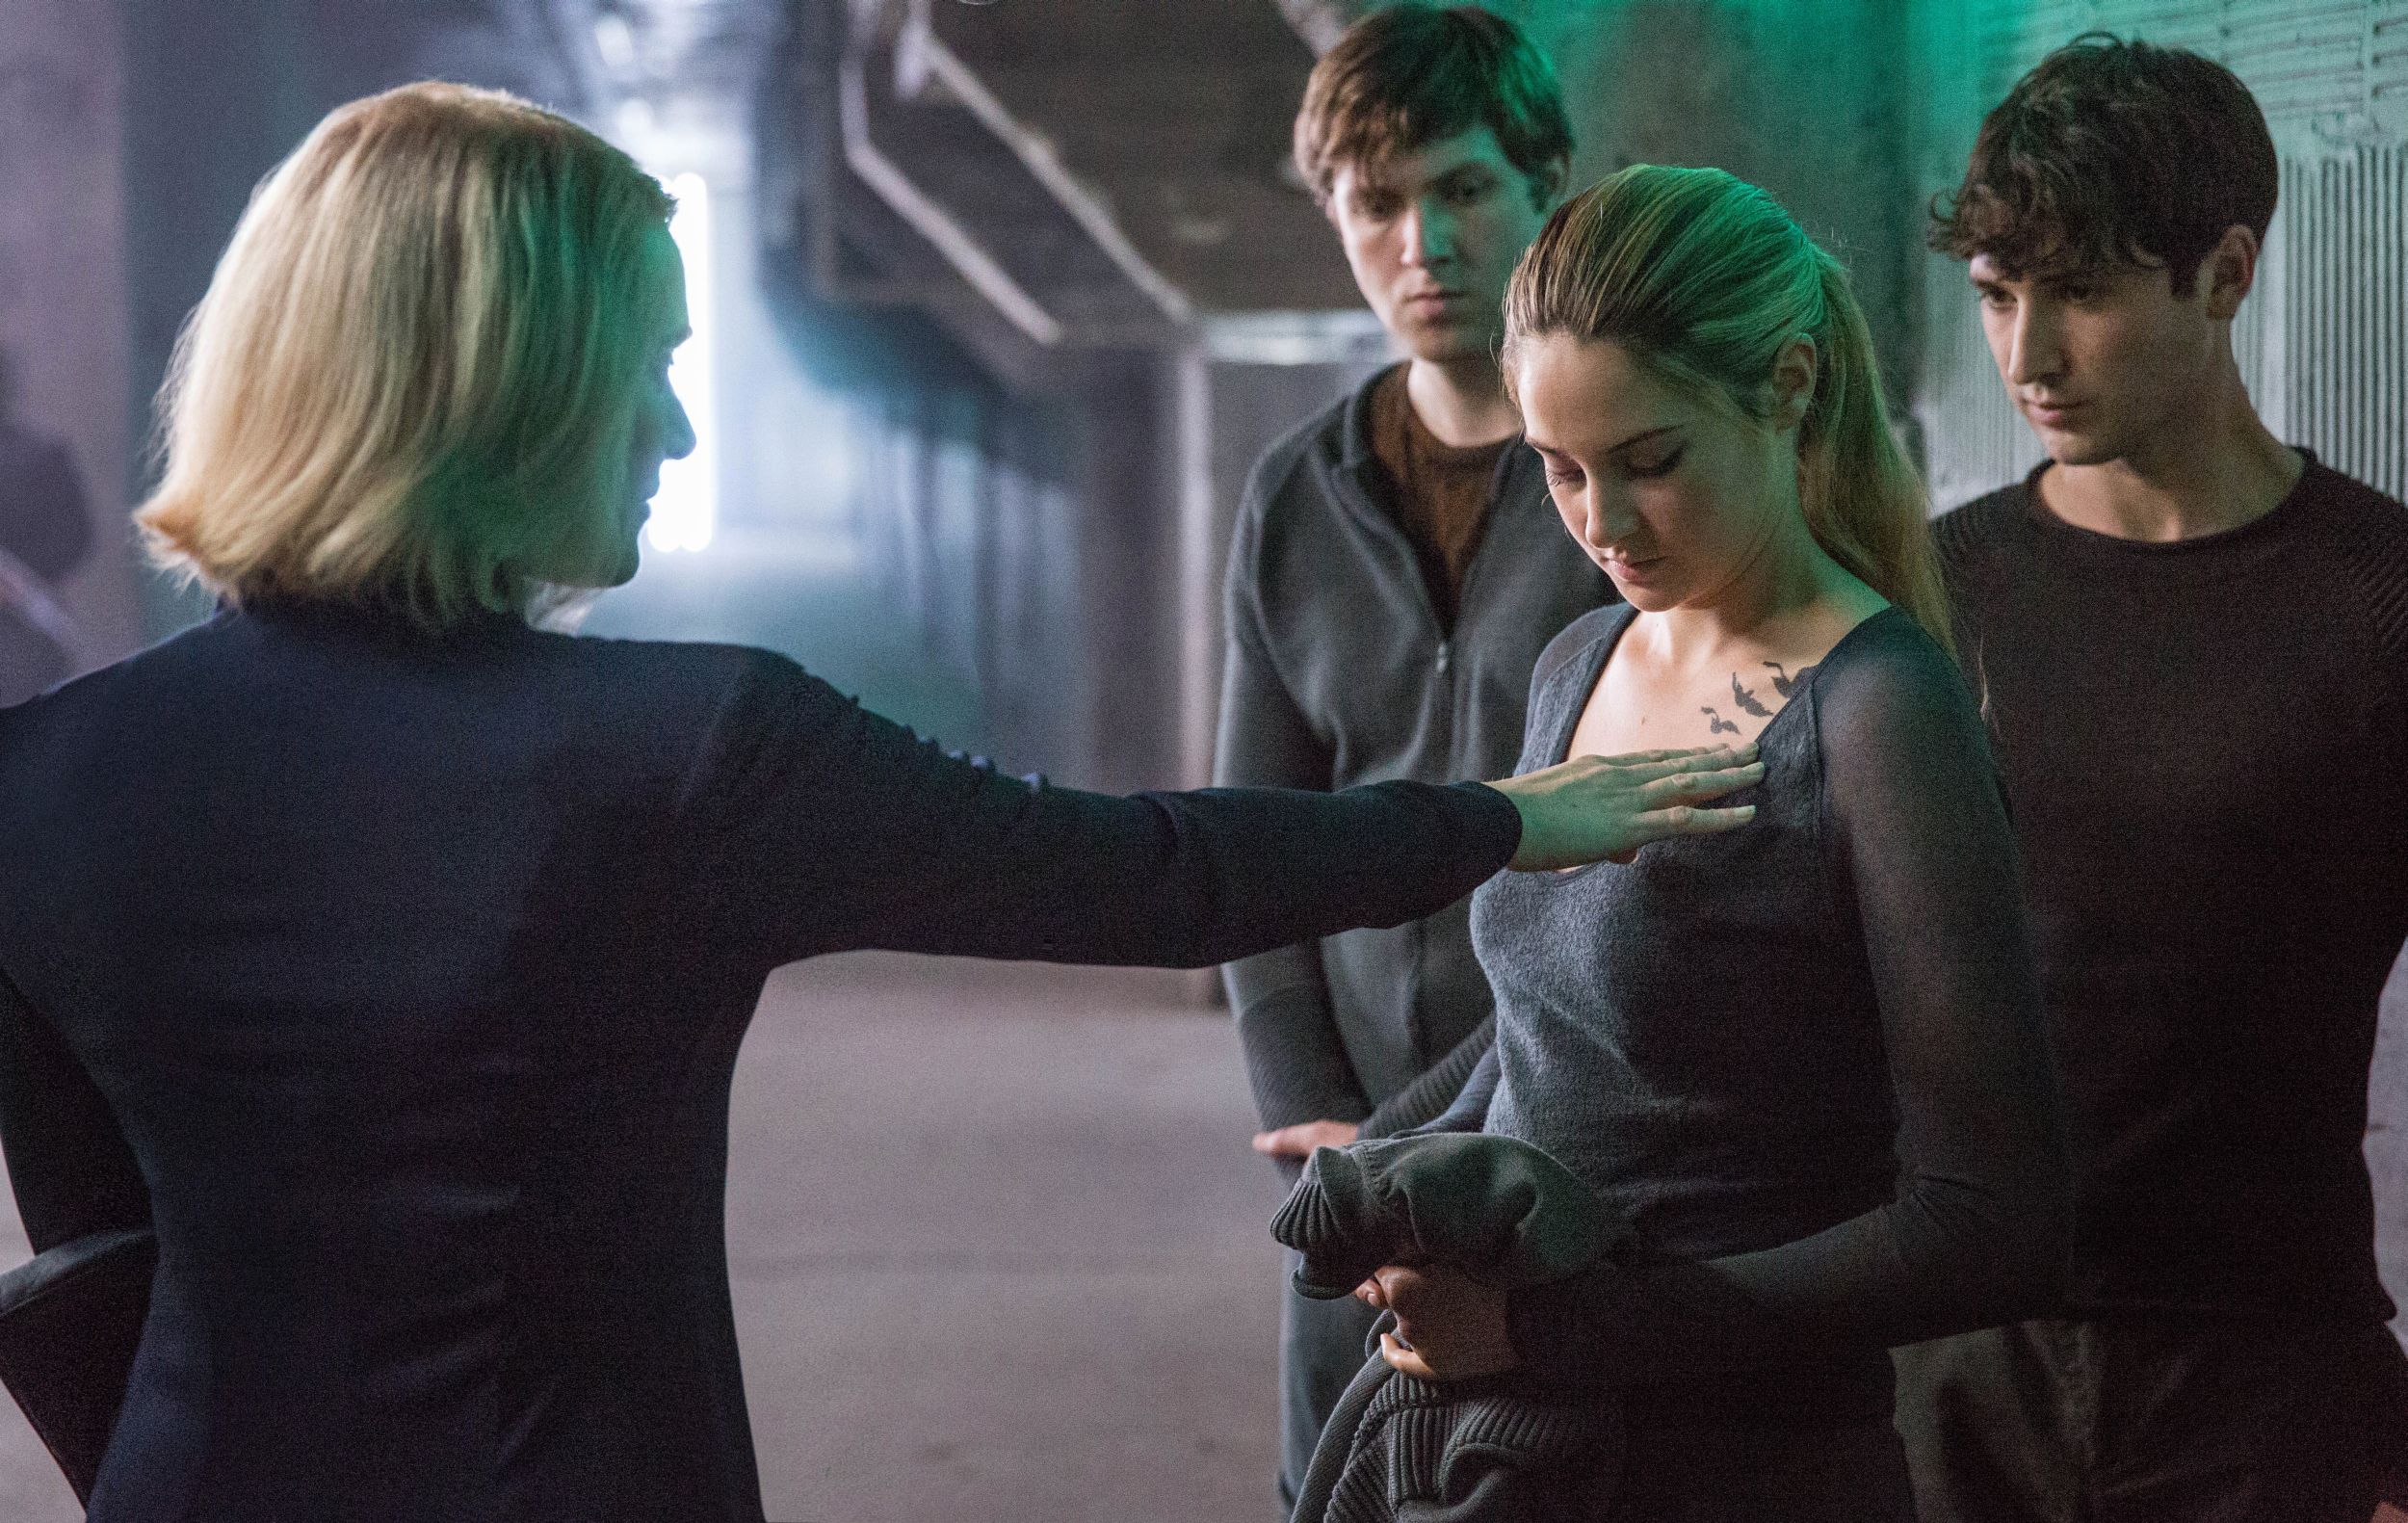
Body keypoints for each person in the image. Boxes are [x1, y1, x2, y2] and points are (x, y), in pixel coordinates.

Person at [0, 84, 1768, 1523]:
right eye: (646, 365)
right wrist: (1512, 818)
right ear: (505, 386)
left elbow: (92, 1253)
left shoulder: (44, 780)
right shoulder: (684, 751)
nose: (677, 432)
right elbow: (1146, 874)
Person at [1333, 165, 2072, 1521]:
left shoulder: (1880, 710)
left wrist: (1551, 1332)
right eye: (1559, 469)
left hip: (1748, 1468)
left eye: (1649, 460)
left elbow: (1991, 1223)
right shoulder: (1578, 657)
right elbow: (1553, 1026)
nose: (1601, 524)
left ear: (1788, 386)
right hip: (1522, 1454)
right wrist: (1387, 1166)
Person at [1894, 35, 2408, 1523]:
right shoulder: (1930, 593)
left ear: (2224, 274)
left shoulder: (2380, 603)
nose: (2027, 356)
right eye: (1997, 293)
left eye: (2083, 294)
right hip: (1950, 1354)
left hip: (2262, 1373)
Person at [1214, 8, 1610, 1502]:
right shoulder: (1296, 495)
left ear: (1545, 182)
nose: (1421, 243)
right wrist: (1313, 1113)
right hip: (1350, 1167)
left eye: (1462, 188)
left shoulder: (1624, 486)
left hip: (1571, 1132)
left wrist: (1417, 1133)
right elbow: (1250, 835)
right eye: (1376, 202)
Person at [0, 341, 93, 703]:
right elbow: (77, 539)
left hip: (29, 628)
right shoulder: (47, 454)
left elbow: (75, 539)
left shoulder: (45, 456)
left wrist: (20, 583)